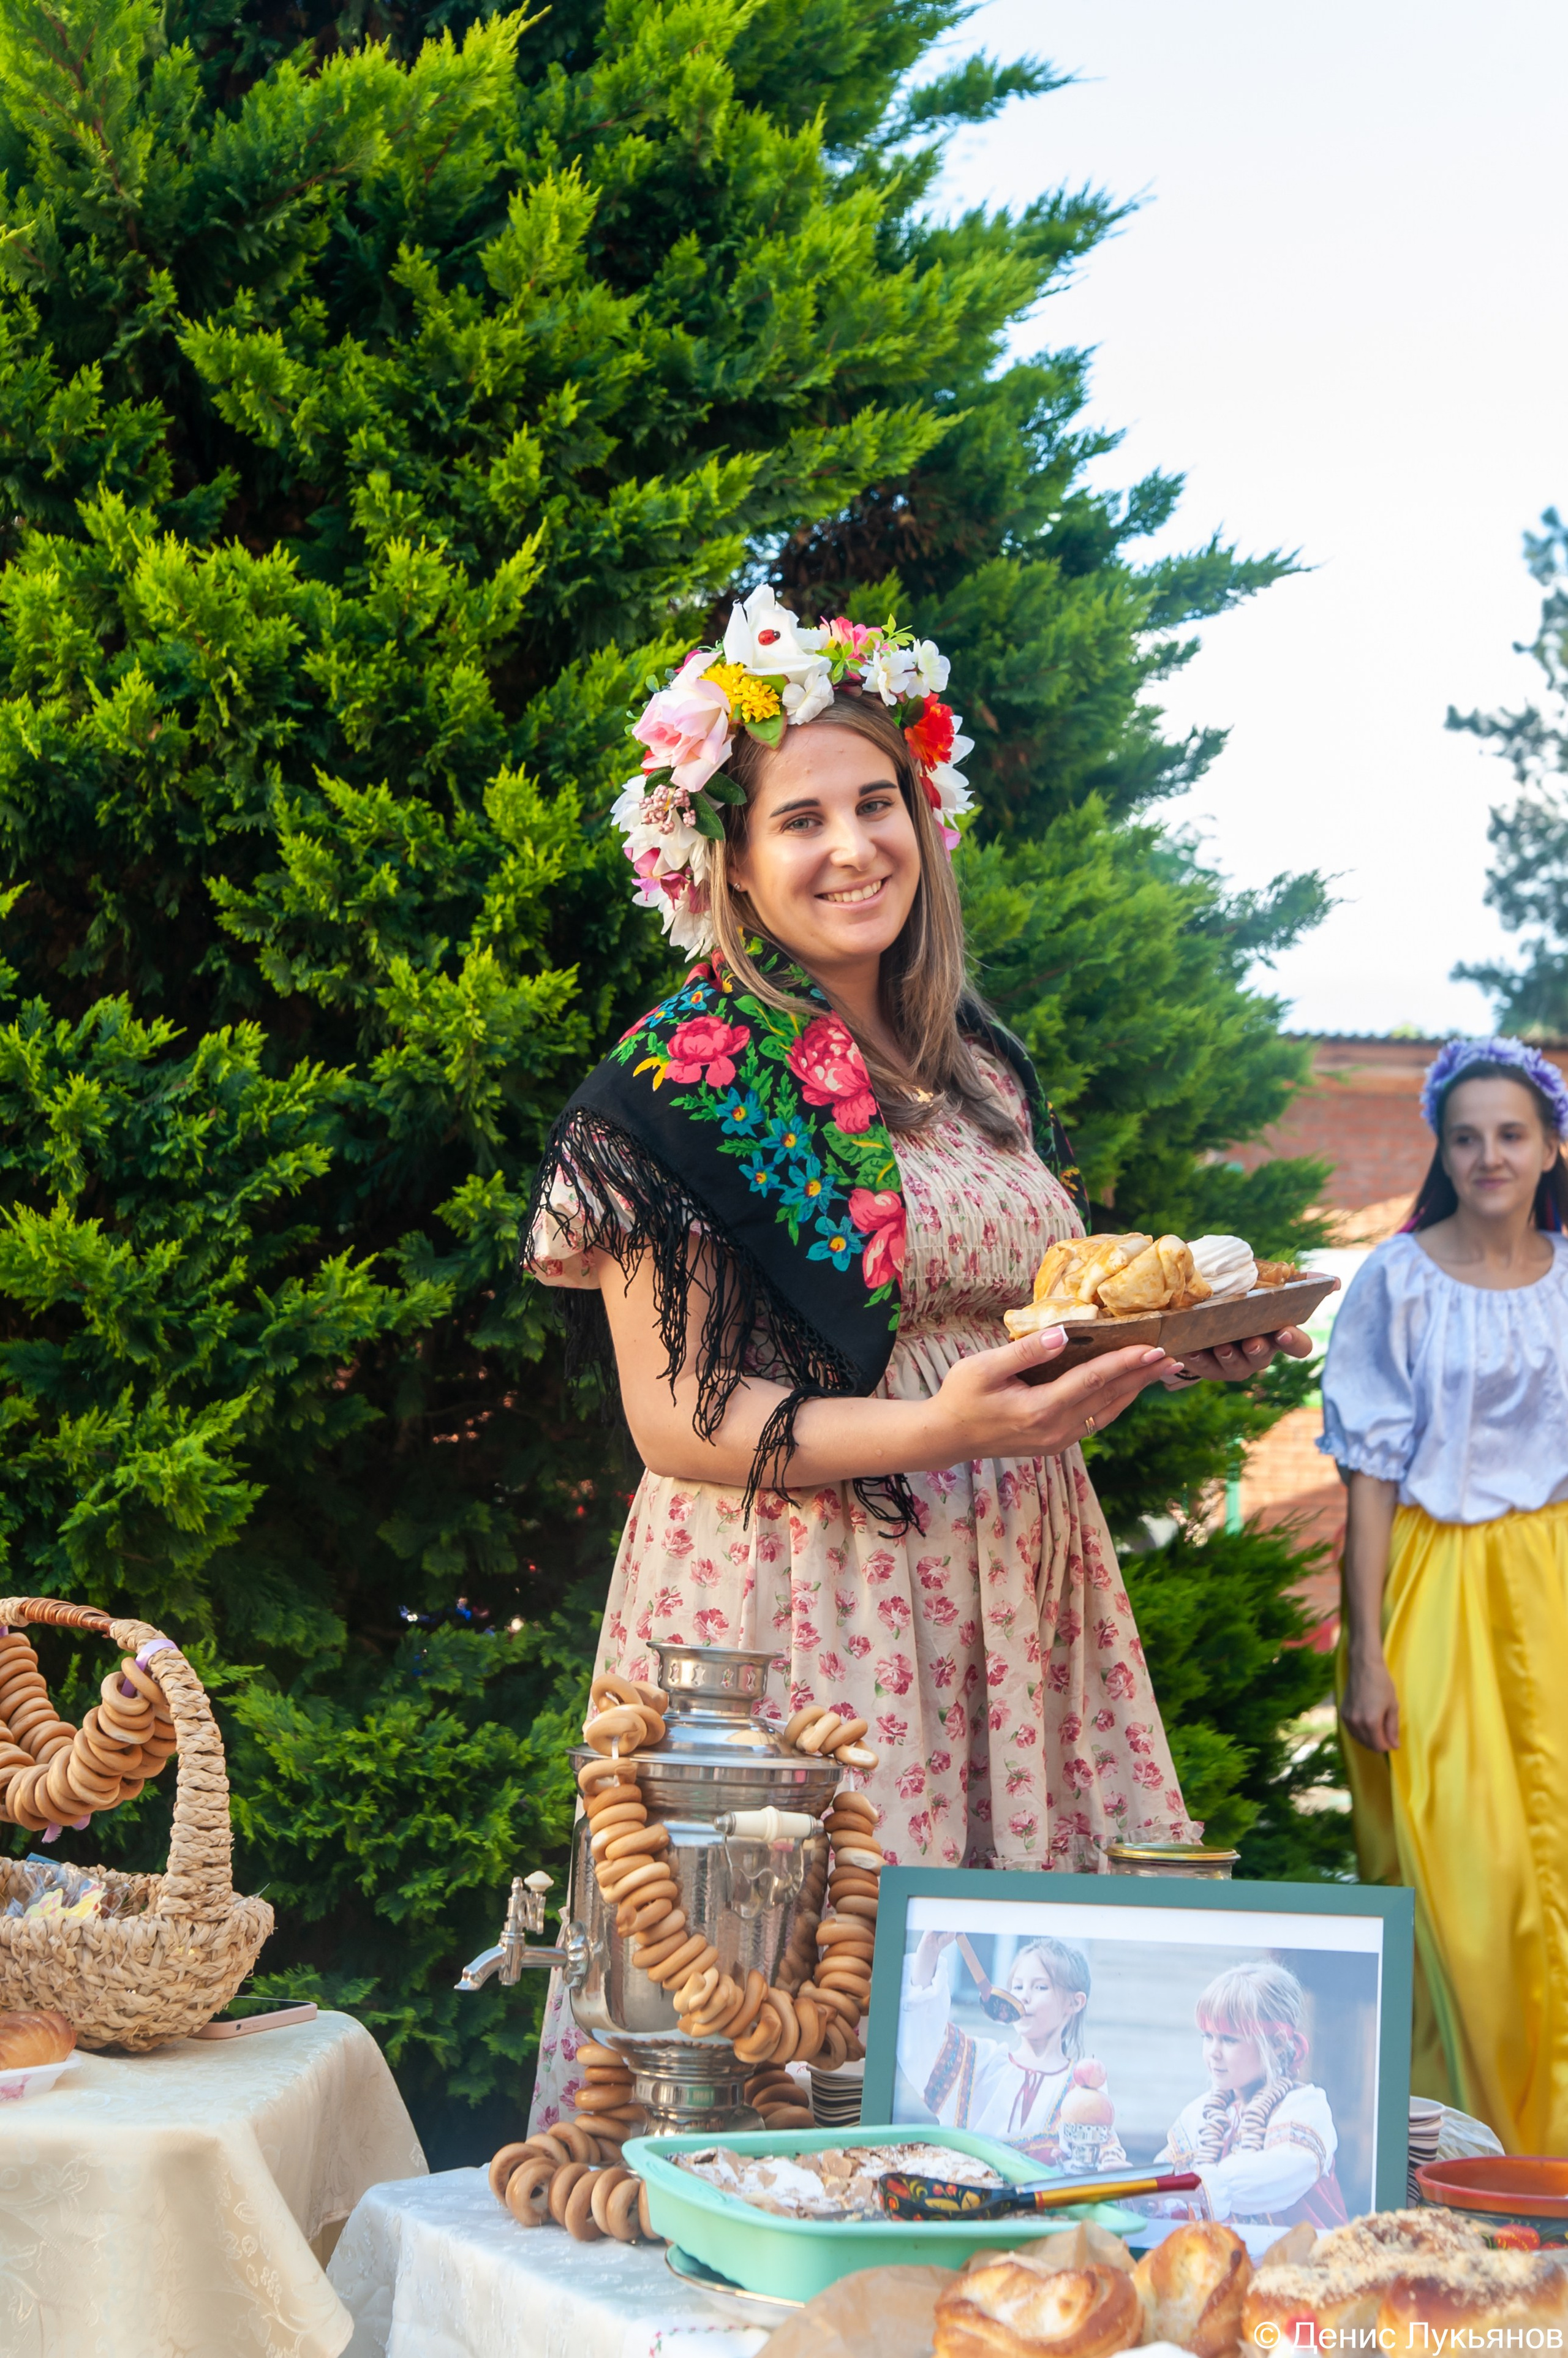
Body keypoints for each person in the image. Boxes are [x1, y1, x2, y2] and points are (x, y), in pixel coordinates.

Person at [522, 589, 1308, 2129]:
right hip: (801, 1608)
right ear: (728, 864)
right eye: (797, 817)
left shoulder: (970, 1065)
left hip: (1014, 1578)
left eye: (874, 801)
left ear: (921, 819)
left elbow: (1016, 1317)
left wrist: (1166, 1349)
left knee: (1008, 2077)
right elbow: (676, 1423)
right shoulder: (678, 1082)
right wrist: (938, 1435)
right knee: (788, 2040)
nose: (850, 845)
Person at [1322, 1036, 1568, 2156]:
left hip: (1552, 1583)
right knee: (1465, 1892)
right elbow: (1367, 1477)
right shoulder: (1396, 1282)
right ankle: (1470, 2161)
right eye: (1465, 1137)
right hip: (1430, 1589)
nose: (1488, 1156)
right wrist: (1369, 1651)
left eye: (1510, 1134)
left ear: (1552, 1146)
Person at [897, 1930, 1125, 2165]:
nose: (1024, 1997)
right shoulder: (981, 2063)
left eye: (1040, 1988)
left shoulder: (1081, 2086)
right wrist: (930, 1949)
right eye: (1017, 1987)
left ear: (1075, 2002)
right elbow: (921, 2037)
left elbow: (1104, 2158)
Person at [1157, 1961, 1348, 2229]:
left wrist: (1205, 2187)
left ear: (1278, 2043)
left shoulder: (1304, 2108)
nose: (1214, 2051)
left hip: (1299, 2263)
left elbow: (1281, 2171)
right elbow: (1163, 2179)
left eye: (1229, 2040)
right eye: (1207, 2037)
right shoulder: (1200, 2114)